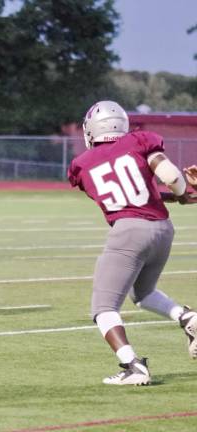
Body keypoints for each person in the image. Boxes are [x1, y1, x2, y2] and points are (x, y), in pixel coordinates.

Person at [67, 100, 197, 385]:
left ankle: (133, 366)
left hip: (128, 232)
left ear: (91, 130)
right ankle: (187, 318)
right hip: (162, 229)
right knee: (143, 293)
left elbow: (127, 199)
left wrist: (179, 188)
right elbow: (168, 177)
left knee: (103, 308)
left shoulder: (82, 164)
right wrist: (183, 193)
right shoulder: (139, 141)